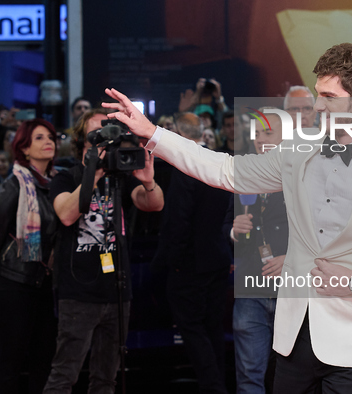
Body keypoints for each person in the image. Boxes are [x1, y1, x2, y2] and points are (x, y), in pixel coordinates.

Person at [103, 42, 352, 393]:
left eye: (329, 97)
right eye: (318, 94)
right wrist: (154, 134)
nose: (317, 106)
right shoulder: (298, 151)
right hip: (292, 337)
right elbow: (226, 169)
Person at [43, 108, 164, 394]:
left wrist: (148, 181)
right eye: (95, 138)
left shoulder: (121, 177)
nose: (103, 145)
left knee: (105, 379)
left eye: (108, 137)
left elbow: (154, 204)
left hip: (117, 291)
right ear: (82, 143)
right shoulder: (66, 178)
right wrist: (92, 173)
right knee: (64, 377)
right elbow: (66, 215)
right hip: (78, 294)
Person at [152, 112, 232, 393]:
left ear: (175, 132)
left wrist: (171, 263)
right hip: (218, 260)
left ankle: (213, 388)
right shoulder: (219, 160)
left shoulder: (186, 167)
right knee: (212, 331)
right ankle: (217, 385)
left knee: (195, 330)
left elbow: (179, 221)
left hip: (190, 266)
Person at [0, 119, 58, 394]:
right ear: (23, 149)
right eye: (39, 138)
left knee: (44, 361)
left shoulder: (59, 182)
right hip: (13, 282)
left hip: (46, 283)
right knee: (10, 362)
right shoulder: (14, 186)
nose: (49, 141)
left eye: (50, 136)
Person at [232, 108, 288, 394]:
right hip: (251, 289)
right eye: (256, 133)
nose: (259, 139)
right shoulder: (243, 172)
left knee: (291, 378)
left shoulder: (304, 175)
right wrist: (233, 230)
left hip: (292, 291)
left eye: (268, 132)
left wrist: (291, 261)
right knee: (249, 377)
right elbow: (215, 226)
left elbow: (324, 233)